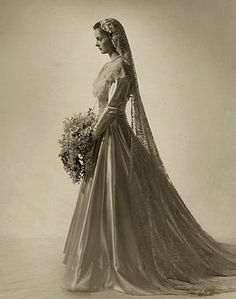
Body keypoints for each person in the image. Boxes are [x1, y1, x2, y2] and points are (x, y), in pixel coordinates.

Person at [60, 18, 236, 296]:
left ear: (113, 38)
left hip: (112, 136)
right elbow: (102, 106)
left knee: (118, 193)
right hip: (102, 134)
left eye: (99, 39)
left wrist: (91, 135)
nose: (96, 44)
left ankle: (124, 259)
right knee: (102, 193)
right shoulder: (108, 66)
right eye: (95, 39)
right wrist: (87, 132)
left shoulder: (121, 68)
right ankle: (103, 253)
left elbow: (114, 109)